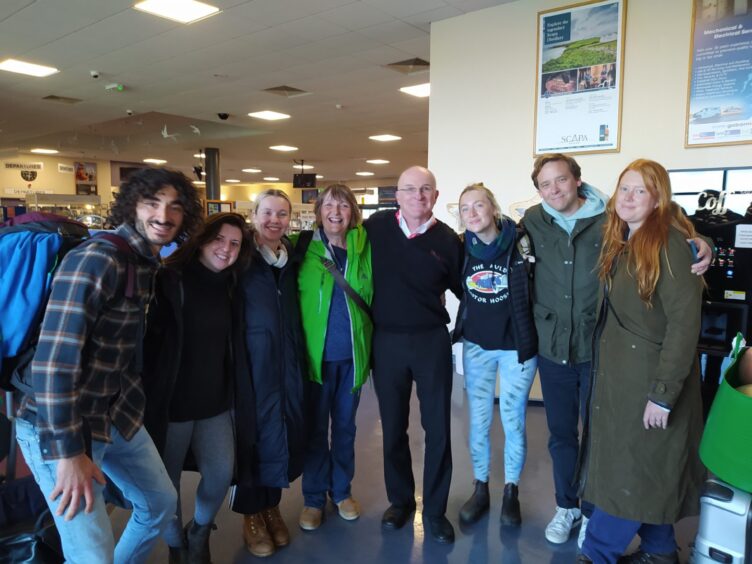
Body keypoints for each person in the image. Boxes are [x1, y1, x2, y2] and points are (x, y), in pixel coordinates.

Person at [14, 167, 203, 563]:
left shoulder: (146, 263)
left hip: (116, 413)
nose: (163, 215)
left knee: (160, 503)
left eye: (175, 207)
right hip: (60, 426)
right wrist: (68, 454)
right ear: (131, 205)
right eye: (152, 203)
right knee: (91, 554)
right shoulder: (99, 258)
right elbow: (53, 363)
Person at [523, 154, 711, 547]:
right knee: (562, 436)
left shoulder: (614, 222)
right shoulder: (536, 222)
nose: (553, 189)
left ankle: (596, 520)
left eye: (561, 180)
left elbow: (671, 229)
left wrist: (701, 242)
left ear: (578, 181)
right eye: (544, 184)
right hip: (556, 349)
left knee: (606, 441)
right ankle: (568, 506)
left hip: (602, 354)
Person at [577, 159, 705, 564]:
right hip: (619, 380)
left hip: (650, 384)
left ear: (658, 199)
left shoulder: (669, 244)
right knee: (640, 468)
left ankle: (595, 554)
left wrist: (663, 395)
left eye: (641, 191)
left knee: (628, 472)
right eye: (624, 189)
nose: (629, 199)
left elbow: (685, 327)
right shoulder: (621, 239)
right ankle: (660, 550)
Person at [142, 212, 253, 563]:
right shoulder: (169, 279)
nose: (226, 249)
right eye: (219, 239)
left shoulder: (232, 284)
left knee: (221, 474)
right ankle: (176, 544)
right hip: (172, 405)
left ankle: (200, 530)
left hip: (214, 402)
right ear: (202, 239)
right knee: (168, 482)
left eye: (235, 243)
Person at [365, 165, 463, 544]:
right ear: (397, 196)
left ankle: (435, 511)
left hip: (430, 341)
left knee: (437, 428)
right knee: (392, 426)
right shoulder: (375, 229)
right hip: (386, 341)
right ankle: (401, 500)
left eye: (426, 190)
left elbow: (466, 290)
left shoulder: (449, 240)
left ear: (436, 196)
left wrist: (466, 331)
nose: (418, 196)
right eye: (410, 189)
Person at [452, 184, 537, 527]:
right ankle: (482, 487)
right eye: (465, 208)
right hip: (477, 347)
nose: (472, 213)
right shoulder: (459, 248)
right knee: (479, 421)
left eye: (479, 206)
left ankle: (511, 492)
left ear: (494, 208)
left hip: (517, 348)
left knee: (513, 419)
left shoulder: (522, 240)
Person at [232, 189, 307, 558]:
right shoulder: (241, 258)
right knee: (252, 435)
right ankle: (249, 514)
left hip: (287, 361)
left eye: (282, 214)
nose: (274, 220)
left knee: (281, 430)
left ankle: (271, 507)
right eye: (267, 213)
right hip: (252, 361)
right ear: (254, 214)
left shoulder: (290, 259)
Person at [295, 184, 373, 531]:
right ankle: (313, 498)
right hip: (315, 362)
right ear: (319, 211)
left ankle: (341, 491)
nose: (336, 212)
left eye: (343, 206)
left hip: (351, 361)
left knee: (344, 429)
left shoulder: (365, 246)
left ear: (352, 212)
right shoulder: (301, 248)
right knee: (314, 431)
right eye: (329, 205)